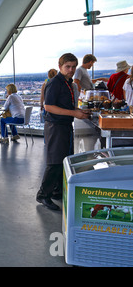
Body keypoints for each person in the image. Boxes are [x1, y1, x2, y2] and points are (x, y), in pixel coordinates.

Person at [36, 53, 90, 211]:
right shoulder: (55, 83)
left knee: (63, 159)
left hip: (64, 126)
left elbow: (64, 105)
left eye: (73, 67)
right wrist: (74, 113)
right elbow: (49, 107)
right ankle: (43, 195)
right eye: (68, 67)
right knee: (54, 162)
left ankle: (56, 190)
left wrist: (77, 110)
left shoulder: (68, 82)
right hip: (55, 127)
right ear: (60, 67)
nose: (71, 70)